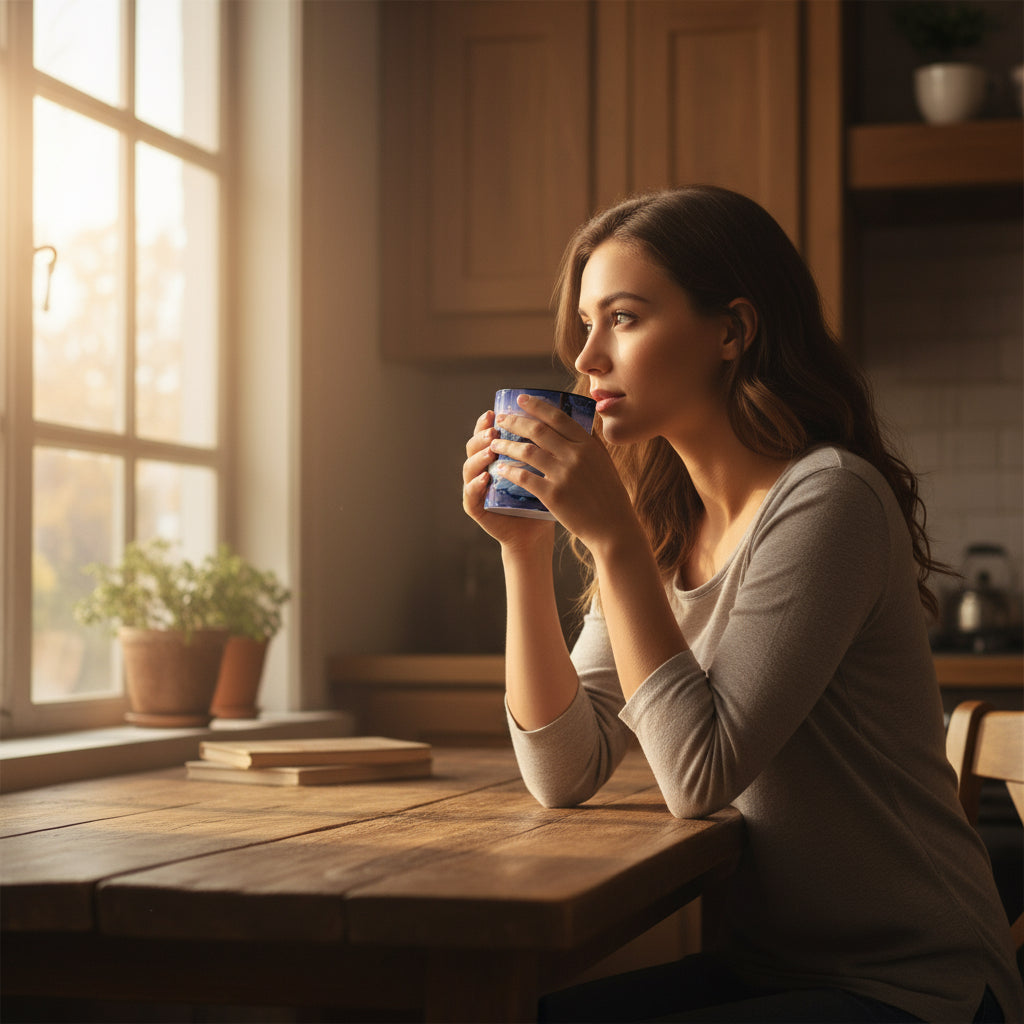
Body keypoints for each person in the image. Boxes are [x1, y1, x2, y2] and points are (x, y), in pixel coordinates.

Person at [461, 185, 1024, 1023]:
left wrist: (614, 545)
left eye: (622, 318)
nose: (585, 359)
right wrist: (525, 550)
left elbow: (698, 774)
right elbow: (564, 770)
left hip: (915, 986)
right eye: (585, 323)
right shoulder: (661, 524)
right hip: (773, 969)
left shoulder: (828, 500)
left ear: (732, 330)